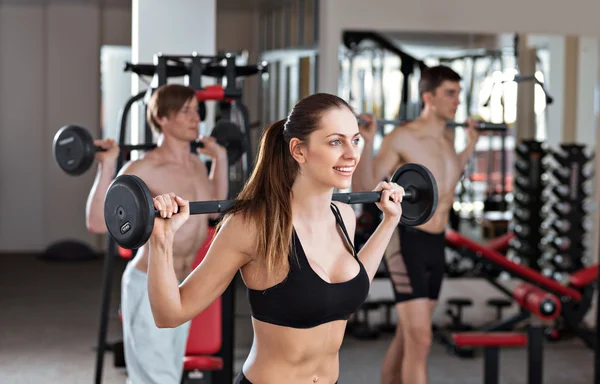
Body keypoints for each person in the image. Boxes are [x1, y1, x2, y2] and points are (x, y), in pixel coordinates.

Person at [145, 93, 405, 384]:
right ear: (299, 150)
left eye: (355, 140)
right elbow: (169, 314)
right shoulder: (253, 225)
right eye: (335, 141)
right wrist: (161, 240)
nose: (351, 154)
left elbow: (354, 281)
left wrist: (389, 222)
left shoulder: (344, 217)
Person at [85, 84, 230, 384]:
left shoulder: (195, 165)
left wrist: (220, 159)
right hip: (149, 284)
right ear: (162, 118)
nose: (196, 118)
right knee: (155, 378)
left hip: (182, 284)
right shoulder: (145, 167)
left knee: (168, 374)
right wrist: (108, 166)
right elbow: (98, 222)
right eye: (185, 111)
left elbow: (215, 212)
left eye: (196, 110)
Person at [351, 65, 481, 384]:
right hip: (406, 242)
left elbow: (447, 180)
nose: (457, 101)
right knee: (421, 340)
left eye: (459, 93)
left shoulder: (448, 138)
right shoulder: (402, 137)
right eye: (449, 93)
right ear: (428, 97)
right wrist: (368, 142)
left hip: (436, 244)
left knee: (408, 336)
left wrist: (471, 143)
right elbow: (367, 185)